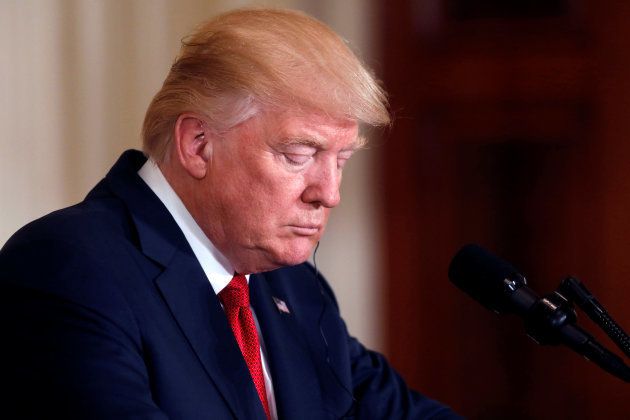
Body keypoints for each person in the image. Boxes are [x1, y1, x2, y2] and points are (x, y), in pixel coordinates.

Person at [0, 8, 461, 420]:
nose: (329, 194)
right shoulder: (67, 267)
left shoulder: (292, 286)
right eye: (299, 154)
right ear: (198, 145)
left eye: (340, 161)